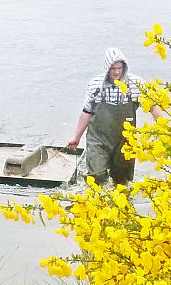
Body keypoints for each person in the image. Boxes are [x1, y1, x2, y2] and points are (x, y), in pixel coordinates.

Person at [67, 47, 162, 185]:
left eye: (120, 68)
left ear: (124, 67)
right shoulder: (95, 85)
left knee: (121, 181)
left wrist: (166, 129)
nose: (117, 72)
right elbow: (86, 112)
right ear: (107, 68)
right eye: (113, 69)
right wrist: (76, 138)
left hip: (125, 140)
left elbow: (152, 107)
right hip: (98, 138)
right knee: (96, 176)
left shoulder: (136, 84)